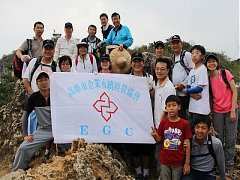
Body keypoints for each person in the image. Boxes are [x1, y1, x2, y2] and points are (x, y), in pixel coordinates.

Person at [12, 72, 53, 171]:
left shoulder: (56, 94)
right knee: (23, 148)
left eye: (45, 79)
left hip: (59, 128)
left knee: (67, 146)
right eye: (40, 80)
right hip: (44, 130)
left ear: (49, 81)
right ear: (37, 84)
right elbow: (25, 116)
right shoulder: (33, 97)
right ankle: (18, 171)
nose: (43, 82)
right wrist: (26, 134)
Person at [205, 53, 238, 172]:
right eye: (209, 62)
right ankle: (219, 164)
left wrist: (233, 109)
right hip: (217, 112)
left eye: (213, 61)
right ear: (206, 65)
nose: (211, 63)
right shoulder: (208, 79)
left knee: (230, 139)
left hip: (230, 110)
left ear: (217, 63)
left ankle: (228, 166)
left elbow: (234, 91)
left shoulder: (225, 73)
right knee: (218, 139)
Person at [151, 95, 192, 180]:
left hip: (178, 162)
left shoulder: (185, 124)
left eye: (174, 105)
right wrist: (155, 135)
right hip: (164, 161)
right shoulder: (163, 122)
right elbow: (159, 139)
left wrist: (187, 163)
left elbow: (187, 144)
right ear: (166, 108)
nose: (171, 108)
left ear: (179, 107)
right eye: (169, 106)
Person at [129, 52, 154, 179]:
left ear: (143, 63)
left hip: (146, 116)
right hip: (132, 117)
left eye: (139, 61)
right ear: (131, 63)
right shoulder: (126, 78)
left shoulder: (149, 78)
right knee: (134, 146)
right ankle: (138, 172)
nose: (137, 63)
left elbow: (153, 95)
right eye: (135, 61)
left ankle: (146, 172)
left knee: (146, 145)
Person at [182, 115, 226, 180]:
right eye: (197, 127)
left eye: (203, 128)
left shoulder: (216, 143)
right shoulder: (189, 142)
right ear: (194, 128)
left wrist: (222, 177)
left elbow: (221, 163)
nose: (200, 131)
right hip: (192, 172)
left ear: (208, 130)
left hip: (208, 173)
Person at [184, 45, 210, 126]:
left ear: (202, 56)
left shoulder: (203, 69)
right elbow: (188, 86)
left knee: (201, 132)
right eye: (192, 53)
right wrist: (190, 93)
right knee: (192, 131)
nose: (194, 55)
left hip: (201, 109)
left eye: (197, 53)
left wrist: (186, 91)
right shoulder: (192, 71)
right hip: (192, 108)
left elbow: (199, 88)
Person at [170, 35, 193, 119]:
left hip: (186, 93)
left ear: (181, 44)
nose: (175, 45)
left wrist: (183, 84)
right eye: (173, 43)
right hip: (176, 93)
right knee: (179, 116)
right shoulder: (172, 57)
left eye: (177, 42)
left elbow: (193, 72)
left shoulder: (186, 55)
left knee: (185, 117)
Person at [153, 58, 176, 128]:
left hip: (163, 127)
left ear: (168, 70)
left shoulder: (169, 88)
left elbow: (167, 111)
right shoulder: (156, 83)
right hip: (157, 124)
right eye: (157, 69)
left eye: (162, 69)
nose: (159, 71)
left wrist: (160, 128)